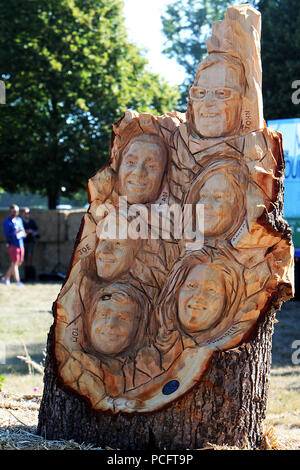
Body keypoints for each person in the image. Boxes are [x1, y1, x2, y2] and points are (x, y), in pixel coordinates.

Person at [1, 204, 26, 286]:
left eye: (17, 211)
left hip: (20, 243)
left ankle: (5, 278)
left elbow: (22, 229)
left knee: (19, 262)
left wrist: (23, 233)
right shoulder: (7, 222)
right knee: (14, 262)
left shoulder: (19, 220)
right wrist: (16, 232)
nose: (15, 213)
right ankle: (17, 281)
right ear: (10, 211)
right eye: (14, 211)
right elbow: (7, 234)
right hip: (12, 244)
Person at [21, 207, 39, 281]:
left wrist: (32, 232)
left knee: (29, 257)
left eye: (28, 213)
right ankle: (25, 275)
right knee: (23, 259)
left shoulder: (32, 221)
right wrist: (25, 231)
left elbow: (36, 232)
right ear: (22, 213)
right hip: (22, 242)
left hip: (30, 242)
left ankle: (29, 276)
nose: (26, 214)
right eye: (25, 213)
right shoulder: (20, 221)